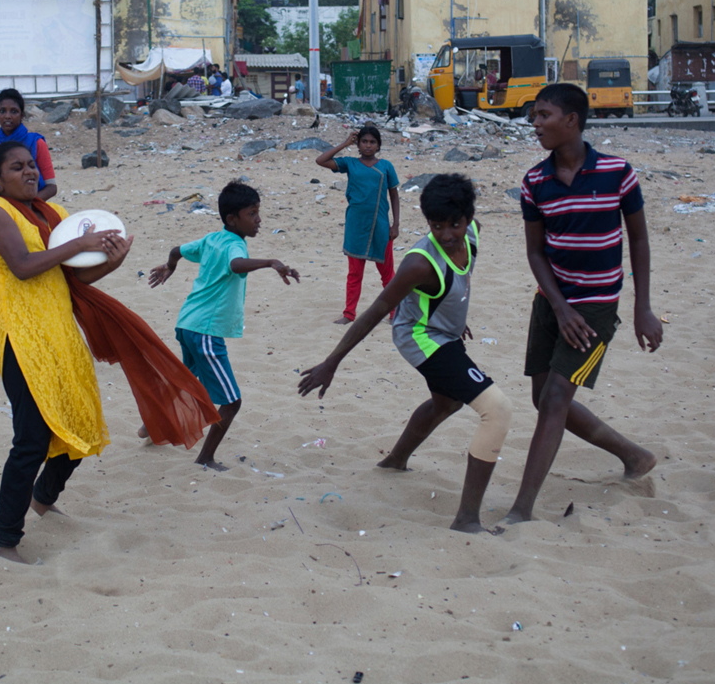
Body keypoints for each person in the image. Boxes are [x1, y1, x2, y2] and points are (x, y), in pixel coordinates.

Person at [298, 174, 514, 534]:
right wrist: (331, 362)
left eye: (455, 224)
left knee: (446, 403)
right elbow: (377, 310)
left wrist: (454, 315)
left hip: (444, 330)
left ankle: (395, 461)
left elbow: (458, 280)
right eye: (436, 225)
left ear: (468, 218)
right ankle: (466, 520)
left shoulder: (472, 233)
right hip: (420, 337)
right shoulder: (419, 263)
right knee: (497, 409)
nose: (447, 234)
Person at [502, 83, 661, 526]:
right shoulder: (535, 181)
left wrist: (641, 307)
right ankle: (634, 455)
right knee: (542, 396)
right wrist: (557, 306)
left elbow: (639, 239)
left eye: (543, 116)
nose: (535, 125)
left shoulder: (616, 172)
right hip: (552, 301)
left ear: (571, 120)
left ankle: (521, 510)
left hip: (596, 306)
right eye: (533, 117)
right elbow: (536, 253)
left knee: (555, 399)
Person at [0, 140, 132, 564]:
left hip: (60, 333)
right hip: (21, 337)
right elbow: (25, 267)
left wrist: (112, 260)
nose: (29, 172)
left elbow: (72, 280)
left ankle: (42, 499)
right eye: (17, 168)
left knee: (82, 420)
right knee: (30, 439)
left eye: (32, 165)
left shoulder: (53, 215)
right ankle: (2, 538)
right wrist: (82, 241)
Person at [147, 180, 300, 470]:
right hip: (205, 331)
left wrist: (171, 266)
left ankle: (149, 426)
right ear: (232, 219)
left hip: (187, 324)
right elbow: (235, 265)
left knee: (186, 381)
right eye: (252, 213)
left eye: (258, 212)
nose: (258, 219)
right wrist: (271, 262)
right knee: (232, 402)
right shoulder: (233, 244)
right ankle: (205, 458)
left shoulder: (211, 239)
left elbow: (176, 249)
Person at [316, 125, 400, 324]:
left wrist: (395, 224)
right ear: (358, 144)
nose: (368, 145)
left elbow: (394, 196)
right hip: (356, 226)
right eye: (364, 141)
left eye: (372, 142)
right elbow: (321, 160)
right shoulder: (350, 164)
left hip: (380, 226)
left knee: (387, 273)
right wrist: (345, 143)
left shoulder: (386, 166)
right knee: (354, 274)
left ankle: (395, 313)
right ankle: (349, 314)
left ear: (378, 145)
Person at [0, 88, 56, 206]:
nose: (7, 116)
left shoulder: (36, 143)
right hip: (3, 212)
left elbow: (51, 187)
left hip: (34, 209)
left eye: (14, 111)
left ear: (22, 115)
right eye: (2, 111)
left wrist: (25, 206)